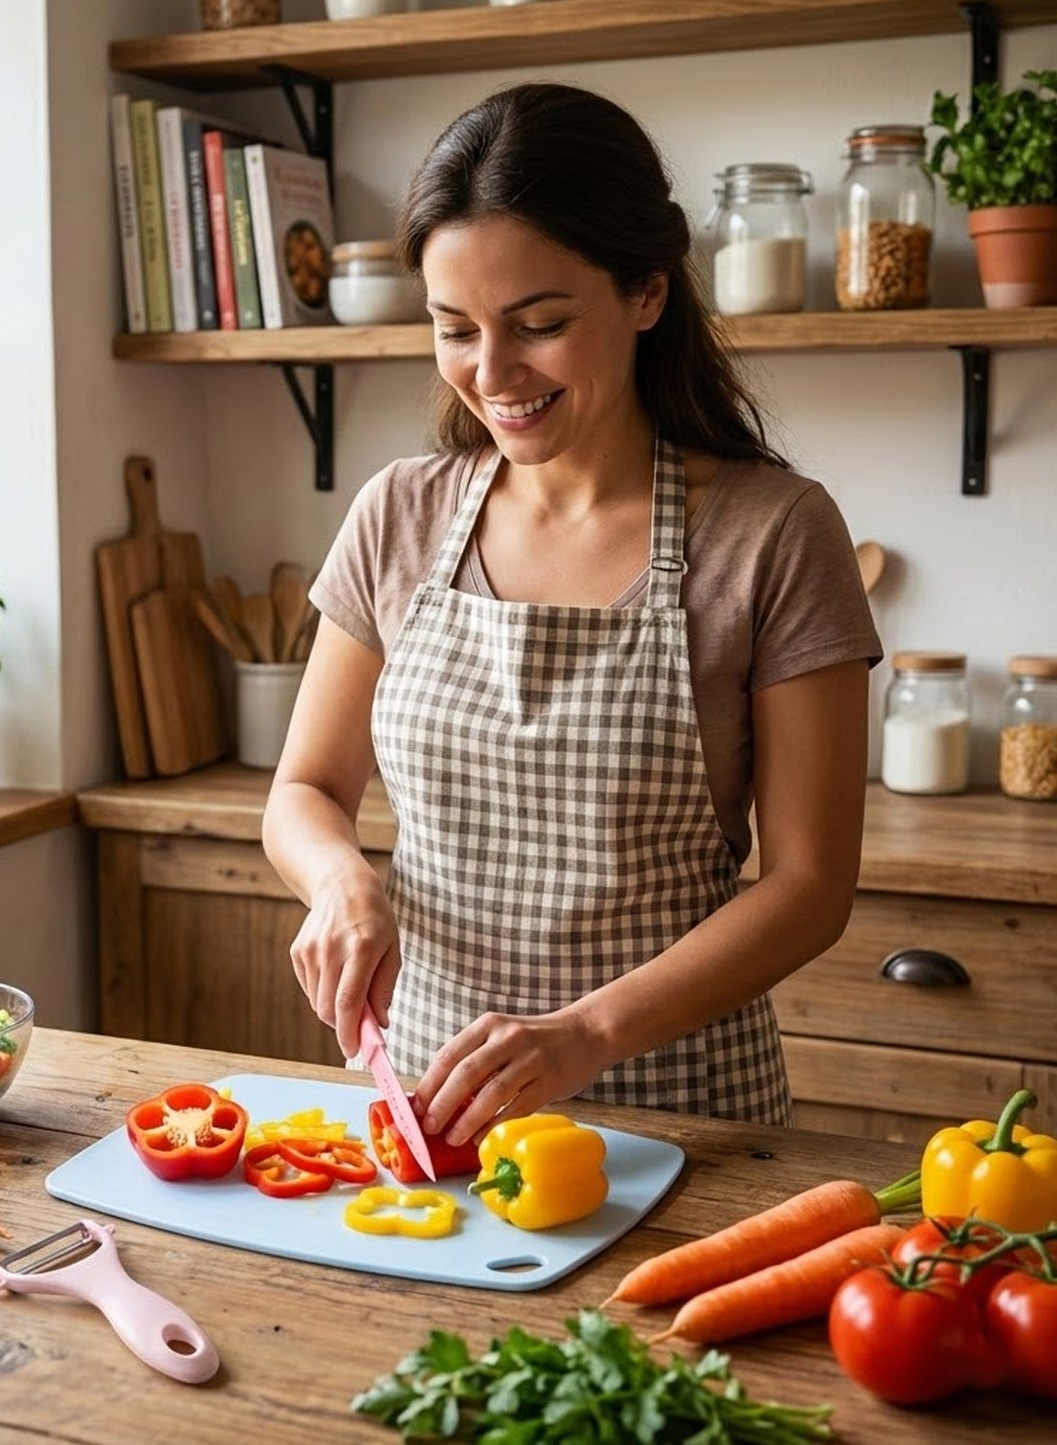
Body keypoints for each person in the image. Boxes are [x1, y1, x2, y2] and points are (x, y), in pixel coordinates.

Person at [262, 82, 880, 1147]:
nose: (490, 375)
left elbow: (809, 884)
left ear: (645, 291)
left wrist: (586, 1032)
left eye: (537, 325)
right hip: (428, 1111)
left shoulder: (773, 531)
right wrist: (340, 881)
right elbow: (305, 789)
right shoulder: (396, 513)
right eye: (453, 329)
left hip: (678, 1115)